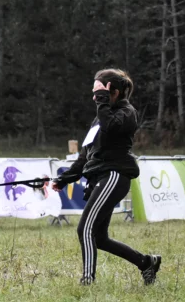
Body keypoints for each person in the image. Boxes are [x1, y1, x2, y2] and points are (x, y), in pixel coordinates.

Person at [52, 68, 161, 286]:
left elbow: (112, 127)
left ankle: (88, 282)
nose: (94, 97)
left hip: (114, 176)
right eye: (94, 93)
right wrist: (64, 179)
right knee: (99, 237)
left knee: (85, 228)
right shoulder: (98, 119)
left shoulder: (127, 112)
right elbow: (86, 156)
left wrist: (102, 102)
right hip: (99, 177)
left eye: (99, 92)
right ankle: (146, 262)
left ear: (114, 91)